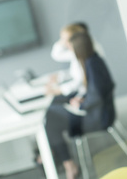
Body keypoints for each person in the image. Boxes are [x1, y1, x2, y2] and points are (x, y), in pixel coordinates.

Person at [45, 32, 115, 179]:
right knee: (51, 114)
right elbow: (96, 91)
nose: (69, 51)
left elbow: (97, 94)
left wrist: (81, 105)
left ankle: (67, 164)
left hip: (97, 119)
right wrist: (82, 99)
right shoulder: (92, 61)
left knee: (50, 120)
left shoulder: (91, 65)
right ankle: (63, 161)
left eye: (70, 47)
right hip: (97, 112)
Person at [49, 22, 105, 98]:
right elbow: (76, 72)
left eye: (67, 40)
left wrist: (60, 90)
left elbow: (80, 80)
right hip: (84, 92)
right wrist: (60, 77)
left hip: (87, 94)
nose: (65, 44)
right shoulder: (81, 49)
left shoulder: (86, 52)